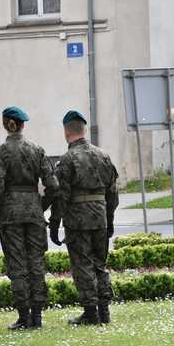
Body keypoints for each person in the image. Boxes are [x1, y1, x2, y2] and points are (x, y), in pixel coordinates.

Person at [0, 106, 58, 330]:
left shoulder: (1, 152)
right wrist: (40, 206)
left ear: (6, 124)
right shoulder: (37, 150)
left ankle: (23, 316)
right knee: (36, 263)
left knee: (17, 265)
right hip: (34, 213)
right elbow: (53, 186)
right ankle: (37, 317)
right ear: (22, 124)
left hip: (11, 214)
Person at [49, 110, 119, 325]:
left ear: (66, 131)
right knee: (100, 264)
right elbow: (113, 193)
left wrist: (54, 224)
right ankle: (104, 311)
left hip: (78, 220)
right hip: (99, 216)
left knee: (82, 265)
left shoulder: (67, 160)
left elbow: (61, 196)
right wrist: (110, 218)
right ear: (84, 129)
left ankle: (90, 312)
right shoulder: (103, 155)